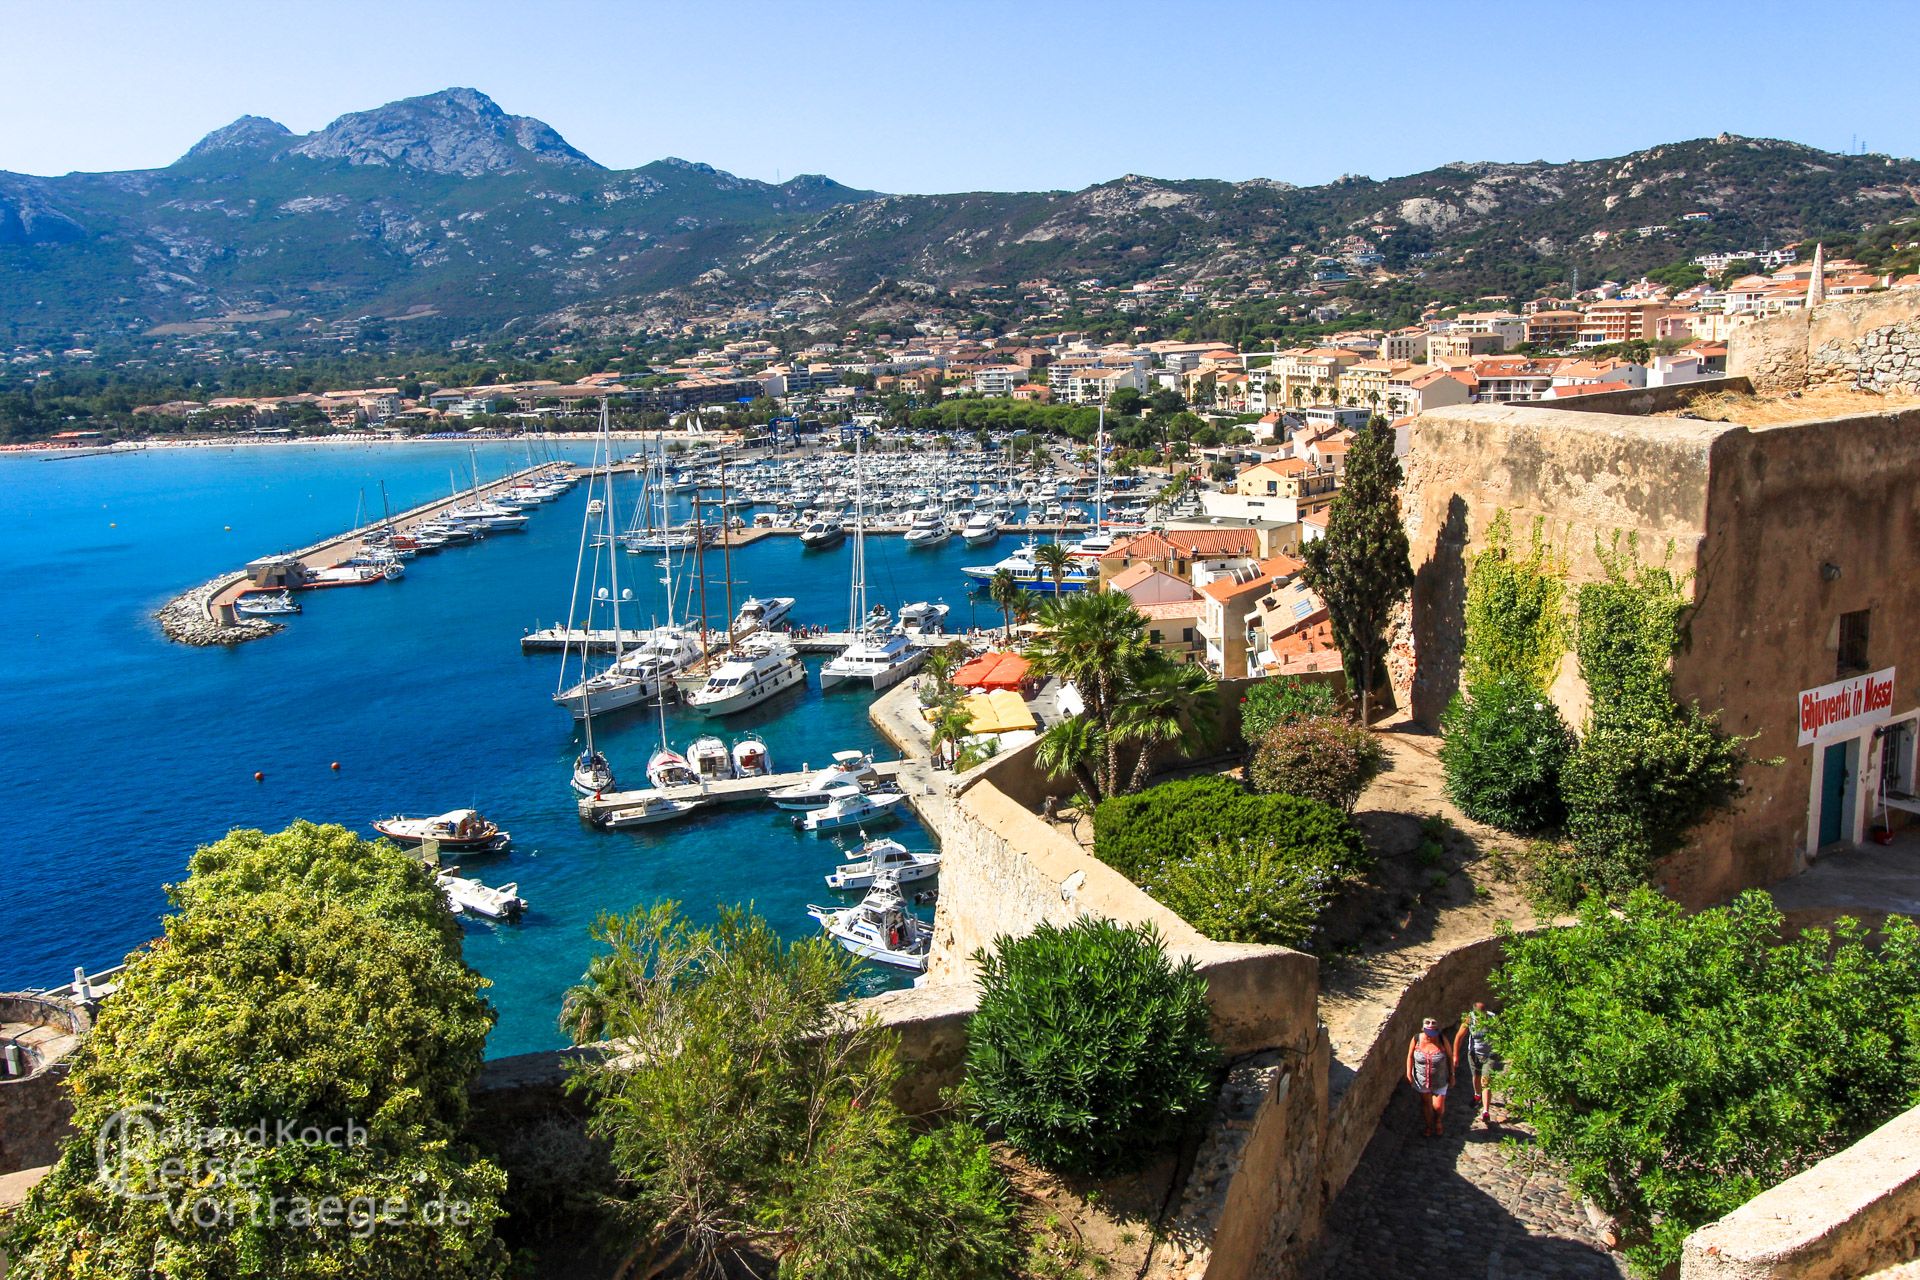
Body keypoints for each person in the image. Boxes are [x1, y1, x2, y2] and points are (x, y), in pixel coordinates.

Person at [1454, 1000, 1501, 1126]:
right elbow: (1459, 1037)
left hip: (1490, 1055)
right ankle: (1477, 1095)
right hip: (1474, 1054)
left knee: (1486, 1081)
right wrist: (1455, 1055)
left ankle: (1485, 1111)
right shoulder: (1469, 1019)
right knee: (1476, 1076)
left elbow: (1500, 1034)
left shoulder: (1492, 1019)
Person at [1406, 1017, 1452, 1137]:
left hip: (1440, 1079)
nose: (1430, 1024)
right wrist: (1409, 1073)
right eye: (1427, 1022)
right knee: (1426, 1103)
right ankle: (1429, 1126)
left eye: (1433, 1023)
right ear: (1423, 1027)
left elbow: (1450, 1057)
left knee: (1438, 1107)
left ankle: (1438, 1120)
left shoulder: (1442, 1039)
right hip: (1422, 1079)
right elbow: (1410, 1056)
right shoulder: (1416, 1039)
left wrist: (1452, 1075)